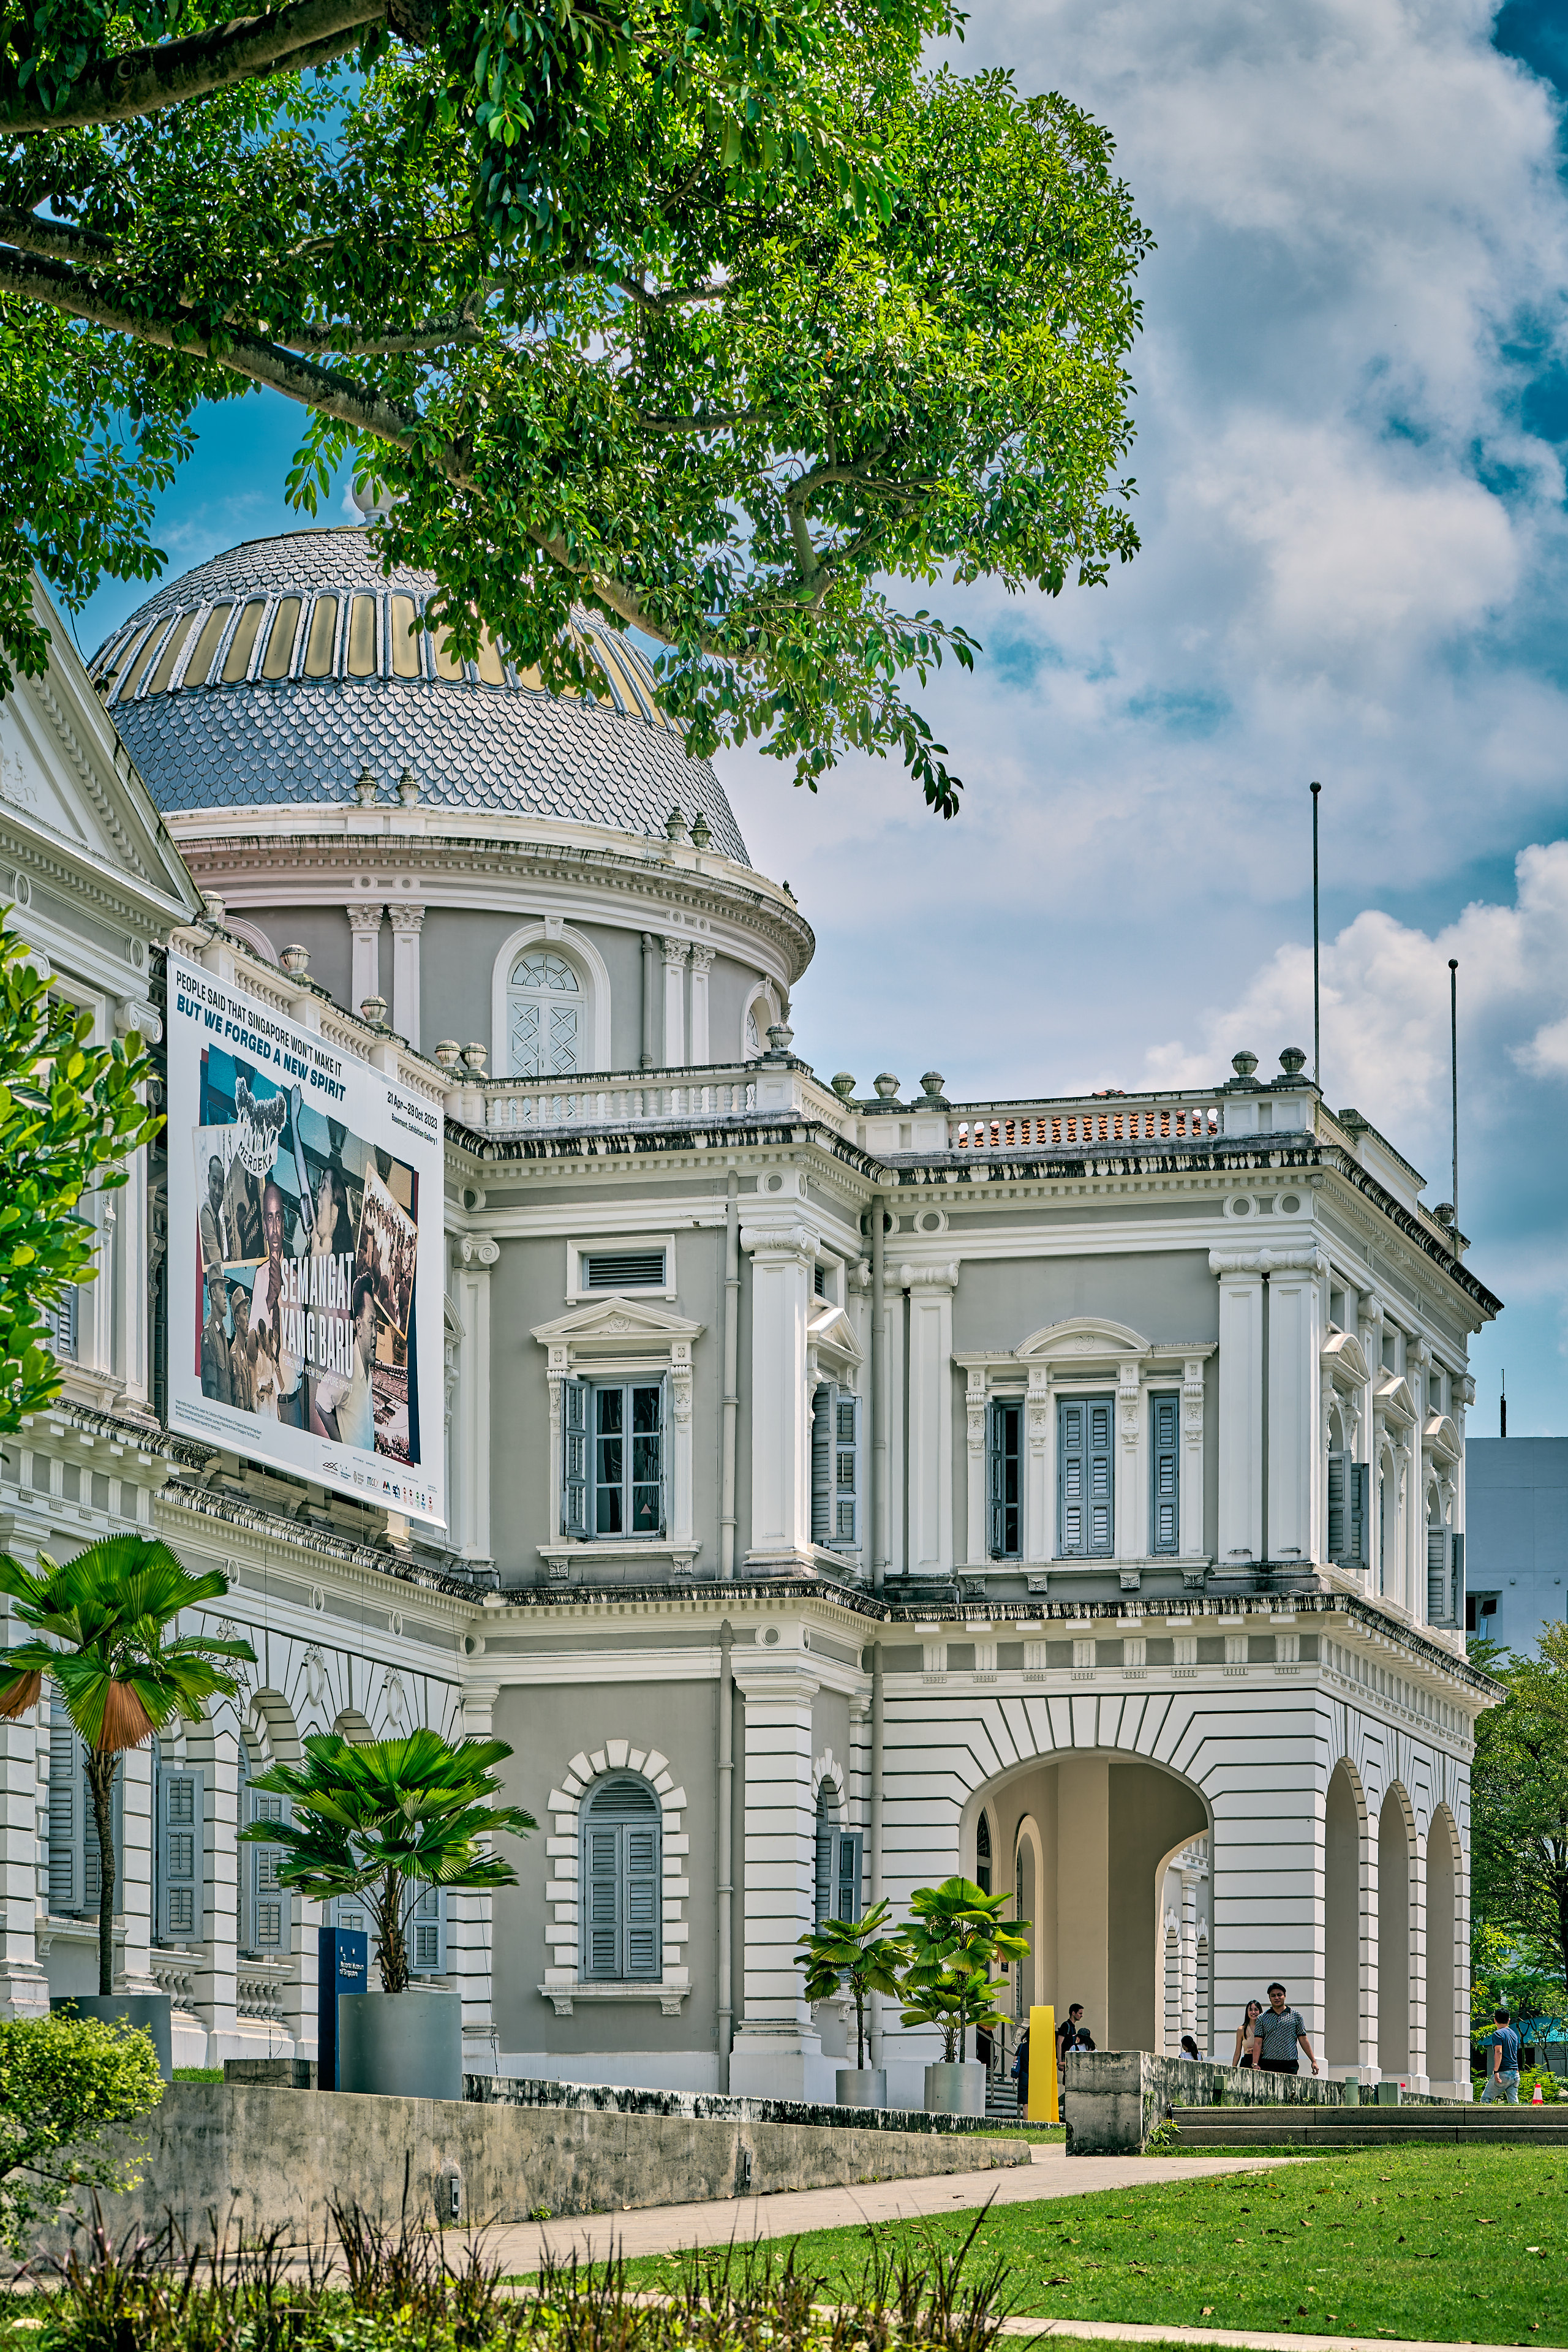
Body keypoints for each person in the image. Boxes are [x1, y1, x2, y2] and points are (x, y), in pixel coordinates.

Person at [336, 1273, 379, 1451]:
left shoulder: (367, 1371)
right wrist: (342, 1450)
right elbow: (321, 1403)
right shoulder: (345, 1366)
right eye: (371, 1324)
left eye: (376, 1324)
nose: (375, 1332)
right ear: (359, 1326)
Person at [1248, 1981, 1319, 2076]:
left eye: (1279, 1995)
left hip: (1290, 2063)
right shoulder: (1262, 2018)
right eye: (1273, 1996)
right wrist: (1255, 2064)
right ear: (1270, 1998)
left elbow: (1303, 2039)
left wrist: (1313, 2061)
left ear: (1285, 1996)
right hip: (1269, 2063)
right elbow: (1258, 2042)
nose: (1276, 1998)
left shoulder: (1296, 2015)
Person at [199, 1270, 232, 1405]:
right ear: (212, 1293)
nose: (225, 1296)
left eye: (225, 1290)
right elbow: (211, 1388)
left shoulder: (222, 1333)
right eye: (221, 1289)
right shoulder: (209, 1333)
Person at [1480, 2005, 1521, 2103]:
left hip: (1503, 2072)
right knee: (1513, 2103)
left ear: (1495, 2020)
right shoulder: (1514, 2035)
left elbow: (1499, 2052)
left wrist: (1496, 2071)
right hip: (1515, 2074)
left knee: (1486, 2099)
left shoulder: (1498, 2034)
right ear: (1509, 2020)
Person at [199, 1154, 232, 1275]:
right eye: (214, 1182)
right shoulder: (206, 1211)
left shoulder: (216, 1218)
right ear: (208, 1181)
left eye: (221, 1186)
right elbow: (216, 1260)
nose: (218, 1192)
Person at [1233, 1997, 1264, 2070]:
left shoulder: (1264, 2028)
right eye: (1250, 2010)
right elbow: (1238, 2052)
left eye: (1256, 2010)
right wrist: (1233, 2069)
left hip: (1262, 2062)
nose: (1253, 2012)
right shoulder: (1241, 2030)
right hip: (1246, 2062)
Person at [1057, 2003, 1085, 2071]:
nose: (1082, 2016)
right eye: (1080, 2013)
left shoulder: (1072, 2027)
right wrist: (1060, 2062)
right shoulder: (1066, 2026)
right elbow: (1059, 2044)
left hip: (1070, 2058)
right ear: (1073, 2013)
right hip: (1065, 2058)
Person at [1012, 2026, 1030, 2110]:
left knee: (1025, 2103)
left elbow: (1015, 2060)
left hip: (1023, 2076)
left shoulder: (1022, 2047)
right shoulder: (1038, 2047)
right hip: (1035, 2076)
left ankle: (1026, 2121)